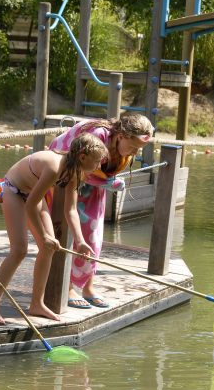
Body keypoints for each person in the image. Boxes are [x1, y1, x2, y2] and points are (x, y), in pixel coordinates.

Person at [0, 133, 108, 324]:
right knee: (19, 250)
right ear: (83, 157)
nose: (99, 166)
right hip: (13, 191)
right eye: (97, 161)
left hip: (31, 195)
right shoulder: (53, 166)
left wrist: (80, 241)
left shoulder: (74, 172)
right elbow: (30, 206)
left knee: (48, 248)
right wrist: (43, 235)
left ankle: (37, 303)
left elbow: (71, 210)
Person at [49, 114, 154, 309]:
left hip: (94, 185)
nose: (134, 153)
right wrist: (107, 182)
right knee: (70, 232)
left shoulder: (123, 147)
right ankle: (68, 286)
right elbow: (76, 164)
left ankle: (88, 286)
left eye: (138, 150)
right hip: (66, 178)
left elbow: (103, 170)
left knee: (94, 237)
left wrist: (106, 181)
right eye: (133, 147)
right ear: (121, 136)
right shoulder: (97, 135)